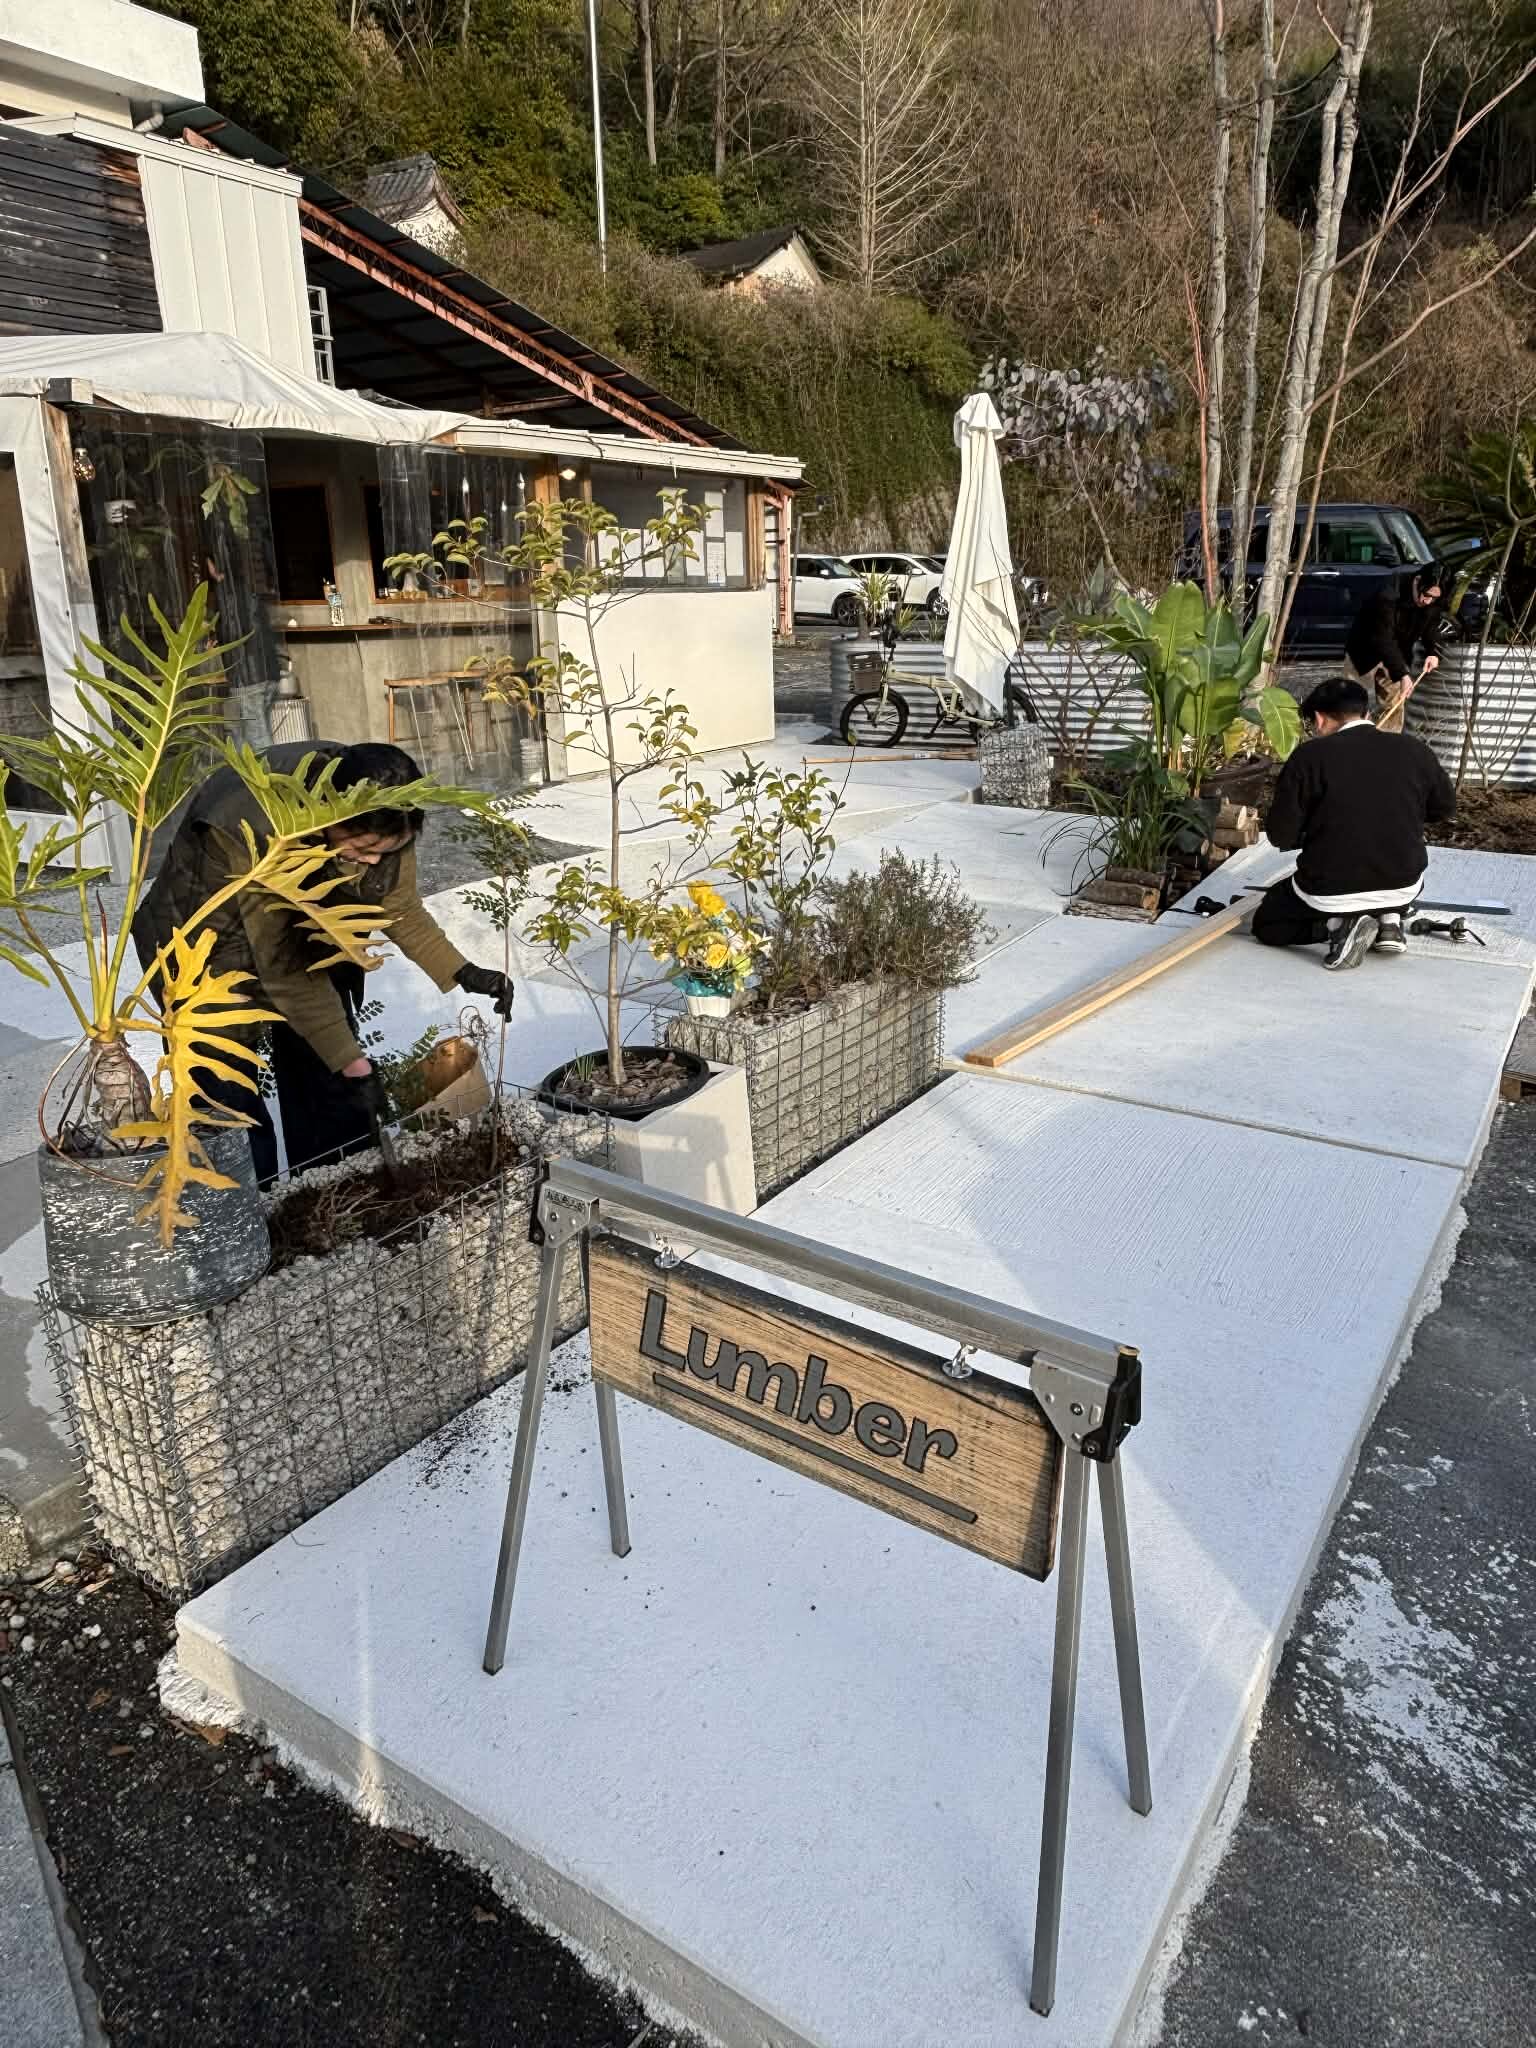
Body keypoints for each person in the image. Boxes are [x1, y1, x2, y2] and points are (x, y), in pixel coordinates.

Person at [132, 740, 514, 1180]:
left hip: (309, 930)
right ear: (332, 817)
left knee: (332, 1095)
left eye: (387, 850)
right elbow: (284, 964)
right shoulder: (255, 823)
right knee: (227, 1104)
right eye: (364, 847)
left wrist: (462, 971)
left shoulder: (386, 804)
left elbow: (398, 907)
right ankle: (249, 1209)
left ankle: (330, 1195)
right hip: (202, 944)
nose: (374, 860)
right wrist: (353, 1063)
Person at [1253, 675, 1457, 971]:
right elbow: (1444, 808)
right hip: (1401, 882)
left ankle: (1338, 926)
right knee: (1390, 875)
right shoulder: (1414, 749)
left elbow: (1281, 835)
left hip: (1329, 887)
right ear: (1367, 712)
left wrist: (1312, 830)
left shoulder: (1309, 757)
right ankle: (1389, 920)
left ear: (1320, 719)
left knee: (1268, 924)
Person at [1343, 561, 1446, 732]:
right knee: (1350, 706)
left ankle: (1388, 743)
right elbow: (1383, 638)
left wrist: (1433, 652)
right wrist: (1403, 675)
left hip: (1397, 654)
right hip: (1364, 651)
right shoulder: (1388, 594)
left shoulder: (1432, 602)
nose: (1427, 601)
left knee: (1394, 707)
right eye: (1426, 594)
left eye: (1434, 598)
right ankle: (1349, 743)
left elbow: (1431, 627)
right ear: (1417, 580)